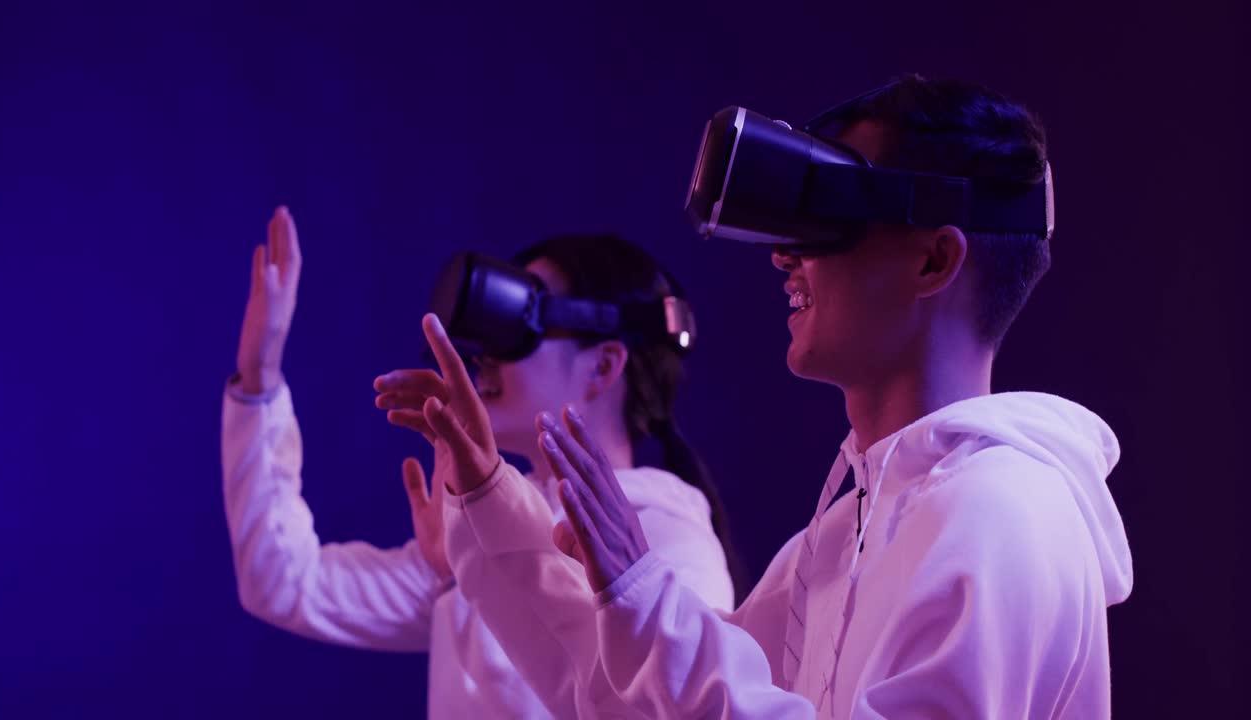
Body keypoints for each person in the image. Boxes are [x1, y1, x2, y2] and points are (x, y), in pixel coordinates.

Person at [394, 75, 1134, 718]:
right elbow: (629, 698)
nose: (785, 255)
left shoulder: (1002, 514)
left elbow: (678, 677)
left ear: (934, 259)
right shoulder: (846, 532)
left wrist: (642, 588)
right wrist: (489, 496)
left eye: (828, 221)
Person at [220, 209, 736, 718]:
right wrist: (258, 383)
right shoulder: (483, 529)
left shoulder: (667, 541)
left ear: (602, 365)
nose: (486, 354)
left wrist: (466, 567)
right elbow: (283, 580)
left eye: (519, 325)